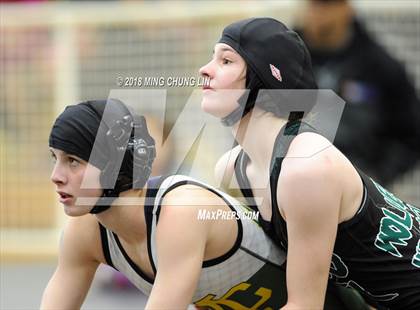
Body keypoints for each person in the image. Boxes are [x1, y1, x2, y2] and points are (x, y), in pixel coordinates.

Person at [199, 17, 420, 310]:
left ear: (263, 80)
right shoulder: (232, 168)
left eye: (226, 61)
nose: (205, 69)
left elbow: (305, 305)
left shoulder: (306, 167)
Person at [41, 98, 299, 310]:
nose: (56, 176)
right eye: (56, 158)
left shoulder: (181, 210)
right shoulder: (84, 231)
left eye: (73, 160)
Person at [296, 0, 420, 186]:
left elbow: (410, 133)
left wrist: (376, 177)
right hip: (291, 180)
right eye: (314, 5)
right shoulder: (284, 60)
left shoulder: (380, 67)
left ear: (346, 8)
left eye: (327, 5)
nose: (319, 13)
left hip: (357, 188)